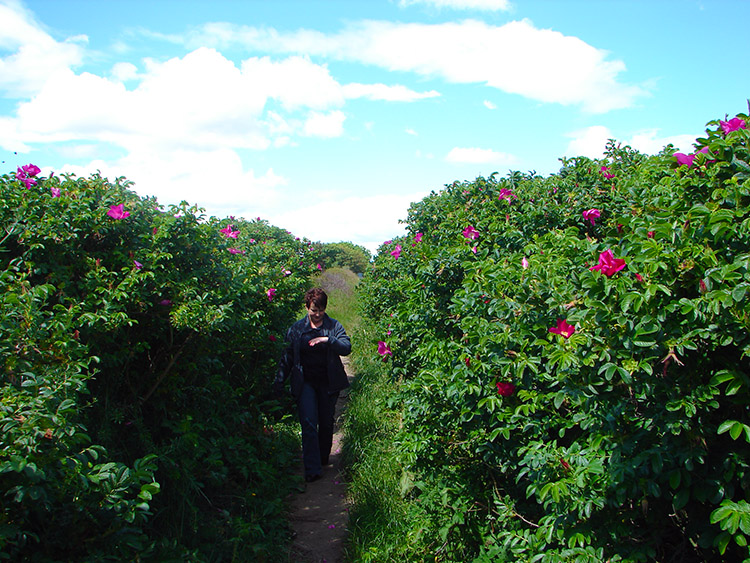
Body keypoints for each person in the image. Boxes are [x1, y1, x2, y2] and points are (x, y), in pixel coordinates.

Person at [273, 288, 351, 482]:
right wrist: (279, 383)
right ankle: (312, 469)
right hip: (305, 382)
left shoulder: (333, 326)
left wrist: (327, 339)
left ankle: (323, 458)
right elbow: (287, 358)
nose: (317, 315)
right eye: (314, 310)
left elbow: (346, 347)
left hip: (328, 382)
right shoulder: (296, 330)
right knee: (308, 423)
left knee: (325, 424)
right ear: (307, 307)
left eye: (321, 310)